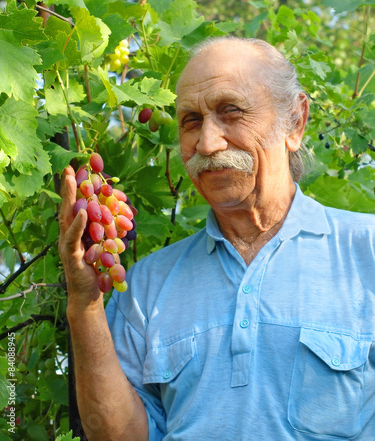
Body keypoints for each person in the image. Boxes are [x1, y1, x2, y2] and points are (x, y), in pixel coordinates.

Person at [59, 37, 375, 441]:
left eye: (231, 112)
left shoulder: (366, 252)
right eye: (191, 121)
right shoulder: (145, 287)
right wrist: (84, 303)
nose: (207, 144)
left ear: (295, 122)